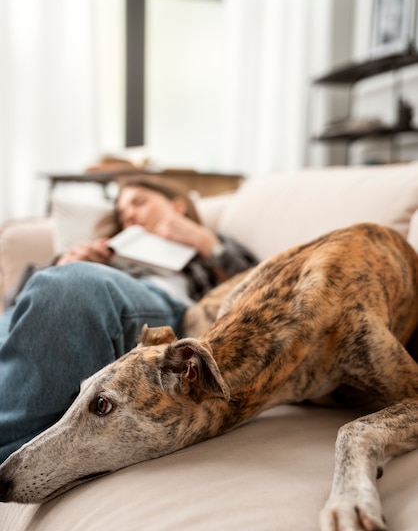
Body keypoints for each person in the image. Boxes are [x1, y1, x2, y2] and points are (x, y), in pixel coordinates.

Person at [0, 175, 257, 463]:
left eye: (139, 202)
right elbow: (14, 305)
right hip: (63, 298)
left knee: (71, 286)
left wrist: (203, 241)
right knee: (57, 285)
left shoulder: (209, 244)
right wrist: (62, 264)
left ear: (177, 205)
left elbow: (258, 289)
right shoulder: (107, 250)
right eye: (122, 213)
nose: (130, 214)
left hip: (157, 305)